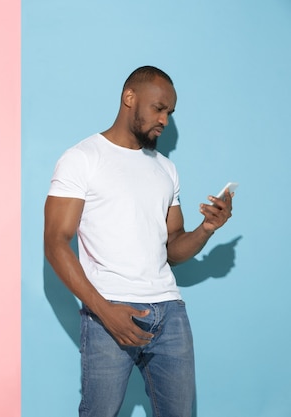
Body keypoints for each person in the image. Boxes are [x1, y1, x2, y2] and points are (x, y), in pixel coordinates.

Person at [43, 66, 234, 417]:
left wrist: (207, 228)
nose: (164, 120)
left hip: (170, 313)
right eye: (159, 108)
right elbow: (55, 243)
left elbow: (173, 248)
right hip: (110, 311)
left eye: (170, 113)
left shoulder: (165, 169)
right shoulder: (82, 159)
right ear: (129, 98)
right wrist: (104, 313)